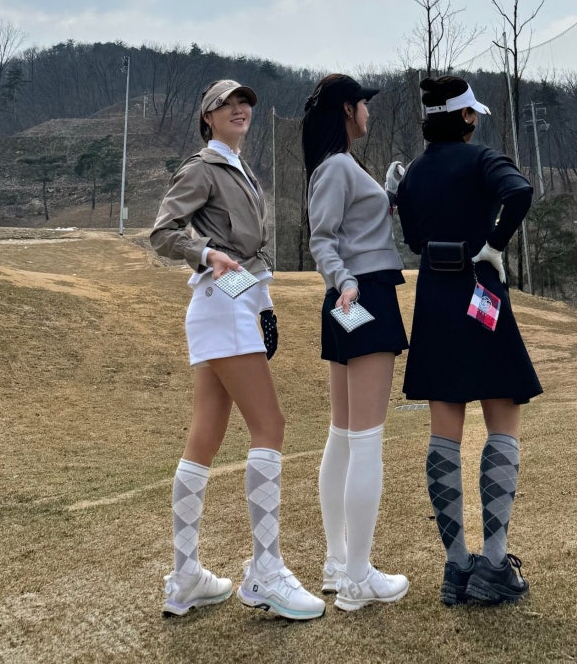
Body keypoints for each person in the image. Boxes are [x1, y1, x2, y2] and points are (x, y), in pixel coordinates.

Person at [151, 78, 325, 621]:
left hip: (234, 303)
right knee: (269, 425)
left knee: (204, 436)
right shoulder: (203, 168)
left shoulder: (239, 168)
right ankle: (266, 571)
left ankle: (186, 577)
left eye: (244, 101)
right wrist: (206, 254)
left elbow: (249, 255)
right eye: (226, 103)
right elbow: (163, 232)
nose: (239, 108)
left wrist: (262, 303)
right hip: (221, 303)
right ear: (207, 116)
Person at [395, 75, 542, 608]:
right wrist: (493, 244)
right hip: (480, 291)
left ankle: (457, 568)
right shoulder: (482, 158)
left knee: (444, 435)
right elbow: (519, 191)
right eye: (472, 112)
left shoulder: (414, 172)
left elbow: (413, 238)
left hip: (434, 298)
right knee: (502, 418)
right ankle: (495, 565)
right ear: (465, 116)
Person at [302, 74, 410, 612]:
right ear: (348, 109)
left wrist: (387, 195)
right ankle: (357, 577)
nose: (369, 111)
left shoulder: (341, 165)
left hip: (350, 298)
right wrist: (345, 281)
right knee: (364, 438)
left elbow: (350, 227)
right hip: (361, 296)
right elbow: (321, 239)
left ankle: (338, 562)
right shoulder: (336, 166)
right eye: (364, 103)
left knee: (344, 435)